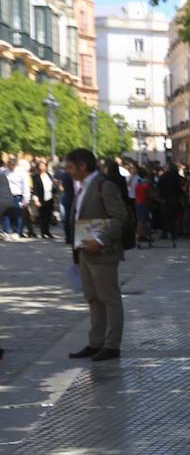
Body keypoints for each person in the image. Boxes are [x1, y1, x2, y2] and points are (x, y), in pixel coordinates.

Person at [64, 148, 129, 361]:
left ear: (83, 166)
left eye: (71, 167)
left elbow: (120, 217)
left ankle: (112, 345)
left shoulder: (104, 185)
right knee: (93, 298)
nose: (68, 171)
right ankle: (96, 342)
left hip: (103, 253)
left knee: (109, 298)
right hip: (84, 252)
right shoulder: (82, 187)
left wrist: (100, 239)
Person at [30, 159, 56, 239]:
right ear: (38, 167)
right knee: (42, 216)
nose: (42, 167)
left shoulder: (49, 175)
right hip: (41, 198)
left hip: (50, 198)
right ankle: (43, 232)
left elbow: (53, 185)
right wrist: (36, 200)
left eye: (44, 166)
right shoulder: (35, 177)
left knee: (49, 215)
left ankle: (47, 231)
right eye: (41, 166)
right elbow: (35, 189)